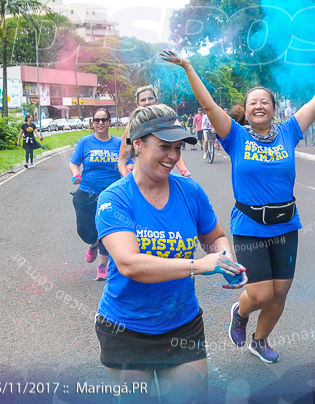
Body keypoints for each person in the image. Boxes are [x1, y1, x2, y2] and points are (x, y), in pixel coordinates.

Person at [162, 48, 315, 363]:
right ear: (247, 109)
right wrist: (187, 66)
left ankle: (260, 340)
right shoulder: (235, 136)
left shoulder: (289, 131)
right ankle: (240, 313)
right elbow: (208, 104)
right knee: (260, 294)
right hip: (250, 225)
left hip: (286, 224)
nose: (259, 106)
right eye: (253, 102)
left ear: (273, 109)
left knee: (280, 293)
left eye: (264, 102)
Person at [95, 103, 246, 403]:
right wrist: (199, 266)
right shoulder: (114, 199)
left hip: (182, 325)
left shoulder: (190, 192)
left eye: (177, 148)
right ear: (137, 144)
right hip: (125, 329)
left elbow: (214, 237)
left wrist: (225, 256)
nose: (174, 157)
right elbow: (129, 264)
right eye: (164, 146)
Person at [69, 108, 122, 281]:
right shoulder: (84, 142)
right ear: (92, 122)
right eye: (97, 120)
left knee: (106, 229)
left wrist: (127, 171)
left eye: (104, 120)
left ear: (109, 122)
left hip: (110, 195)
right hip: (86, 192)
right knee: (84, 230)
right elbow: (74, 163)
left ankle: (102, 265)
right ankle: (93, 244)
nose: (100, 123)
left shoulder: (118, 144)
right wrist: (76, 174)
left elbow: (127, 163)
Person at [119, 86, 190, 178]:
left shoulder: (167, 122)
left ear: (156, 101)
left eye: (150, 98)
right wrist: (128, 180)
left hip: (166, 178)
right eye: (143, 100)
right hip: (142, 180)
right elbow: (121, 161)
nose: (147, 102)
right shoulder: (131, 127)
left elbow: (173, 148)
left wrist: (184, 170)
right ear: (138, 103)